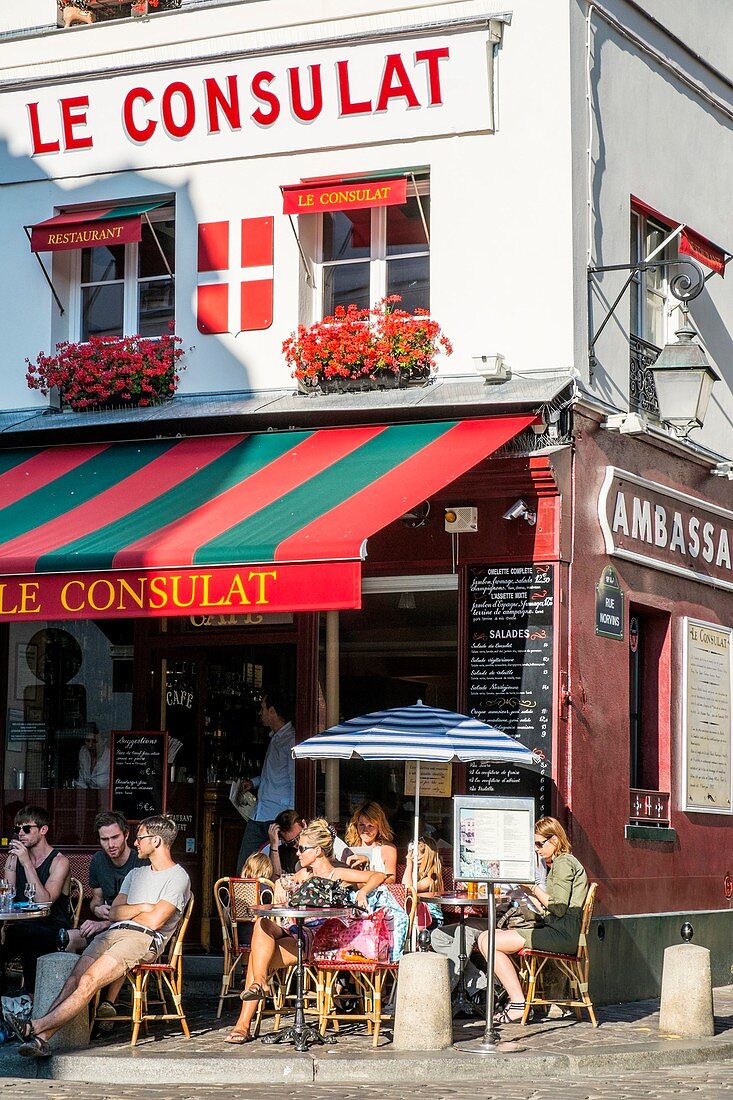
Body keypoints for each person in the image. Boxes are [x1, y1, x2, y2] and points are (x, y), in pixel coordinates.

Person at [5, 814, 191, 1058]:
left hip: (141, 939)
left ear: (156, 841)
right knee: (73, 979)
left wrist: (131, 913)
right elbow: (114, 911)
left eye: (140, 838)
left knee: (89, 981)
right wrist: (144, 907)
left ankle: (35, 1027)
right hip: (113, 932)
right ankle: (41, 1039)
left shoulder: (178, 877)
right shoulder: (136, 874)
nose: (135, 843)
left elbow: (155, 921)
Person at [225, 818, 386, 1044]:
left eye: (302, 848)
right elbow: (282, 880)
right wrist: (280, 885)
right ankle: (259, 983)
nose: (297, 853)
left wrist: (362, 892)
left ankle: (244, 1022)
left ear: (318, 851)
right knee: (261, 923)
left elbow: (379, 876)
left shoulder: (336, 875)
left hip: (315, 939)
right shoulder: (302, 875)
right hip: (292, 929)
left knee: (256, 957)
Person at [478, 815, 589, 1024]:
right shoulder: (560, 862)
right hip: (558, 930)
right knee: (488, 937)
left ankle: (519, 1003)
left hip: (561, 935)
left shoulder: (564, 863)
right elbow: (551, 908)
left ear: (554, 840)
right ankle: (518, 1000)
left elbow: (558, 906)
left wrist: (533, 887)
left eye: (540, 843)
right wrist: (527, 892)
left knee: (489, 940)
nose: (537, 849)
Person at [0, 805, 71, 994]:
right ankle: (6, 1001)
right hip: (21, 925)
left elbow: (45, 902)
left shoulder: (59, 861)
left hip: (50, 926)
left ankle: (30, 998)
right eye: (17, 829)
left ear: (43, 830)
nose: (20, 834)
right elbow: (7, 897)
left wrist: (26, 863)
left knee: (30, 940)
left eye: (26, 829)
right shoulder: (14, 859)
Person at [237, 689, 295, 873]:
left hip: (277, 816)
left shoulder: (290, 740)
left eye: (263, 708)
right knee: (247, 867)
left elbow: (295, 780)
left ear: (272, 711)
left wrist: (291, 818)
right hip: (261, 813)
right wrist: (253, 783)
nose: (260, 713)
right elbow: (273, 775)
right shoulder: (276, 738)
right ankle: (243, 899)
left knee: (271, 867)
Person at [263, 809, 353, 878]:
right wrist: (274, 844)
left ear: (304, 824)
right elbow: (276, 880)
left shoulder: (324, 838)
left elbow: (352, 864)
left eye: (299, 836)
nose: (297, 844)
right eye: (291, 842)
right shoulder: (283, 851)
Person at [344, 801, 397, 880]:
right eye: (361, 825)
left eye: (370, 826)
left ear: (379, 827)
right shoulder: (351, 849)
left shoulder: (387, 849)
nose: (365, 830)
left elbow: (391, 879)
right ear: (356, 825)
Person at [402, 835, 443, 931]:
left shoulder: (432, 878)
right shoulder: (417, 874)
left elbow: (407, 888)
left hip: (432, 921)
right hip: (417, 918)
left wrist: (409, 865)